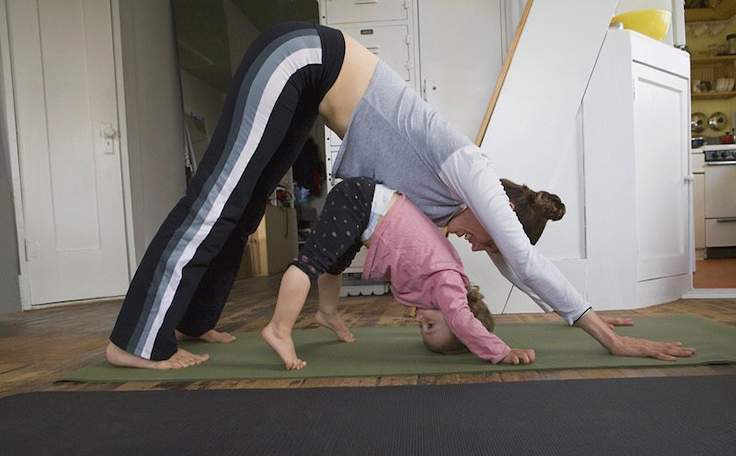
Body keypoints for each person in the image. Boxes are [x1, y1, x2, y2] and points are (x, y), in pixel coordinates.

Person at [105, 21, 695, 370]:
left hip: (310, 85)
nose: (468, 241)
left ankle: (196, 317)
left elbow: (517, 270)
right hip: (302, 58)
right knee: (219, 198)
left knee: (252, 199)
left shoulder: (468, 211)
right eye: (482, 238)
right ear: (501, 212)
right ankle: (134, 340)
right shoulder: (475, 172)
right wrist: (609, 338)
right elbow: (524, 259)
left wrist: (579, 316)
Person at [262, 178, 535, 370]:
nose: (421, 323)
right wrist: (501, 352)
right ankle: (279, 329)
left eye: (422, 329)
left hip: (366, 212)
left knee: (334, 265)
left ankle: (327, 313)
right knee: (312, 263)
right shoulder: (448, 284)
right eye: (429, 326)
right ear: (456, 315)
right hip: (363, 202)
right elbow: (463, 321)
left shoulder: (445, 282)